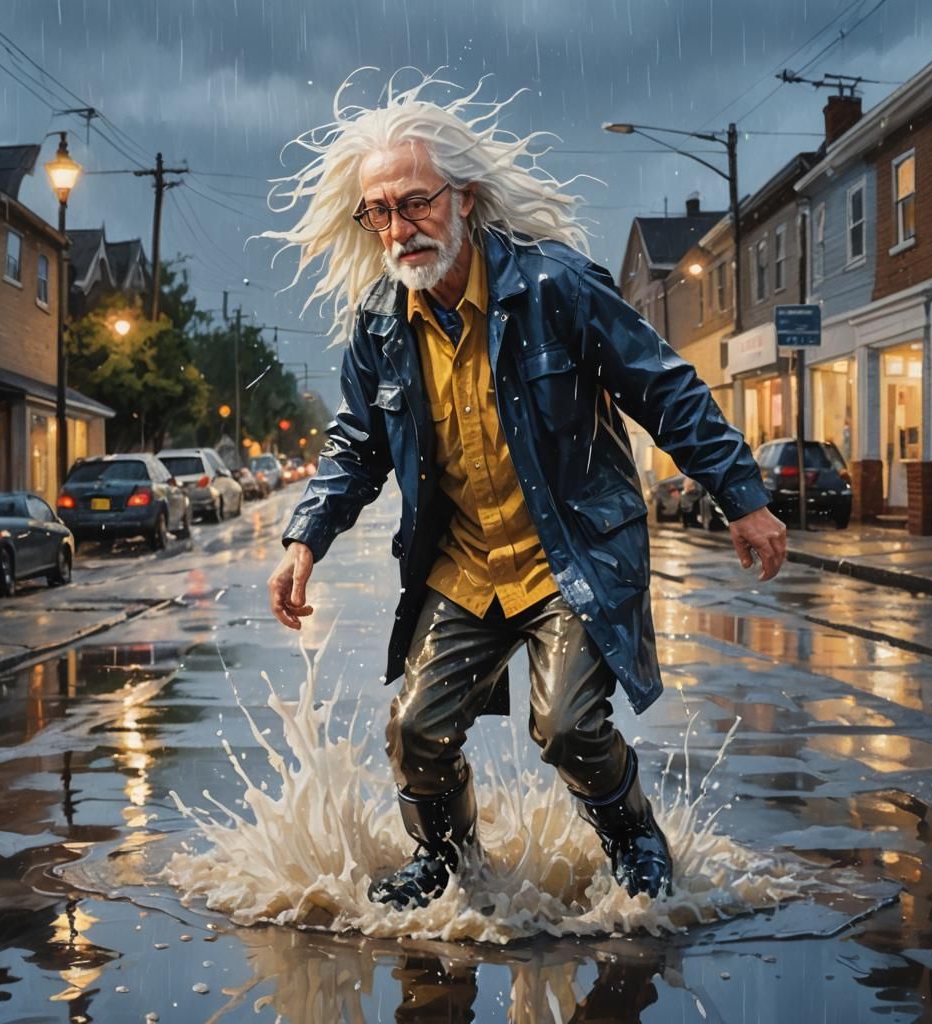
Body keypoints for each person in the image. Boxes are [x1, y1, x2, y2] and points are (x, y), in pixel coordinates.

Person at [267, 75, 786, 910]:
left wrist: (742, 495)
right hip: (465, 564)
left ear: (464, 199)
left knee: (568, 726)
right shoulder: (378, 324)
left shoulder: (556, 287)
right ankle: (450, 861)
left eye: (416, 203)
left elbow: (665, 388)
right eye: (380, 212)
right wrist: (305, 539)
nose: (399, 228)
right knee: (416, 732)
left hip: (572, 552)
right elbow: (356, 446)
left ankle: (634, 840)